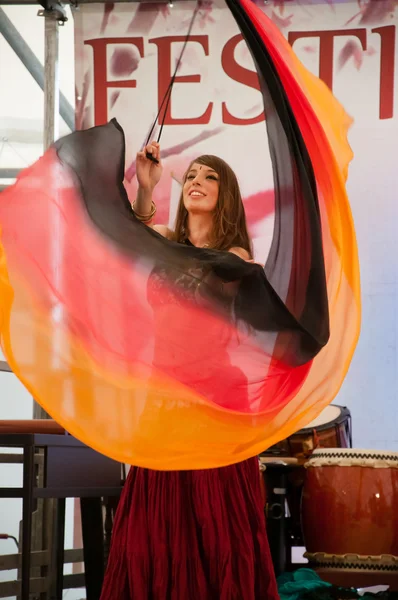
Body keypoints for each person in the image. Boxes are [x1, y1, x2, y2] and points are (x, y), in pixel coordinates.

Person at [99, 142, 279, 600]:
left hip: (212, 403)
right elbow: (126, 232)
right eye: (192, 175)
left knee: (218, 527)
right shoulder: (162, 236)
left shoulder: (236, 256)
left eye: (210, 177)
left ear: (226, 195)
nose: (196, 181)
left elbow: (249, 295)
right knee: (150, 532)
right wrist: (146, 186)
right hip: (163, 401)